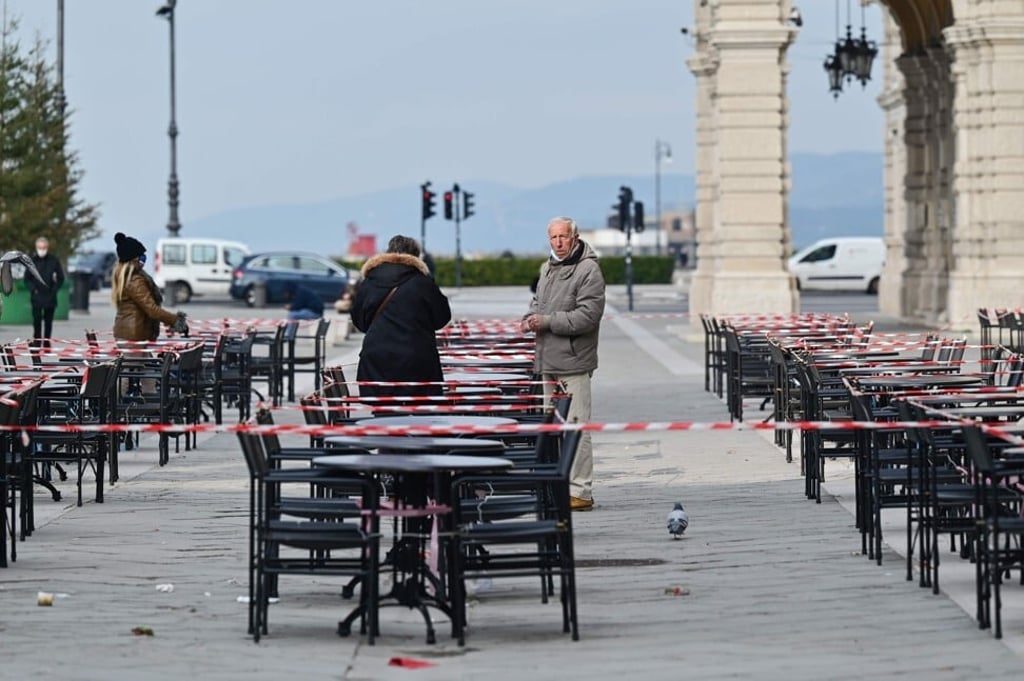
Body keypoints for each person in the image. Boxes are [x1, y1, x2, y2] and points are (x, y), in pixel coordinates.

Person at [522, 217, 606, 511]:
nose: (558, 242)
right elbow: (538, 304)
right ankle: (558, 484)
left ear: (575, 237)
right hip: (548, 362)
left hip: (574, 362)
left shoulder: (588, 270)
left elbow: (587, 316)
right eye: (553, 237)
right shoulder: (547, 269)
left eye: (563, 236)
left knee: (576, 428)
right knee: (553, 429)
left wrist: (546, 321)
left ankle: (580, 491)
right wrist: (530, 318)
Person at [351, 235, 451, 398]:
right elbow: (442, 317)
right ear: (416, 256)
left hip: (378, 357)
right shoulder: (423, 282)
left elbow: (359, 320)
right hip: (417, 358)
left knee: (382, 411)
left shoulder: (370, 281)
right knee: (420, 414)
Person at [111, 232, 188, 342]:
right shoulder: (134, 280)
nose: (144, 261)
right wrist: (176, 320)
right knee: (140, 360)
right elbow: (152, 309)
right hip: (134, 336)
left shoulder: (128, 278)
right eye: (142, 257)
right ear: (134, 259)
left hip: (130, 334)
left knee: (146, 359)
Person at [25, 236, 65, 346]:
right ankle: (37, 341)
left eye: (44, 247)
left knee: (48, 322)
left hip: (50, 296)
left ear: (47, 247)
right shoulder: (31, 261)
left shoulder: (54, 260)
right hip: (36, 296)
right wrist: (33, 289)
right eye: (39, 247)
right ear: (36, 247)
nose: (41, 250)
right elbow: (27, 279)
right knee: (36, 320)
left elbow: (61, 278)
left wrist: (54, 290)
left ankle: (47, 342)